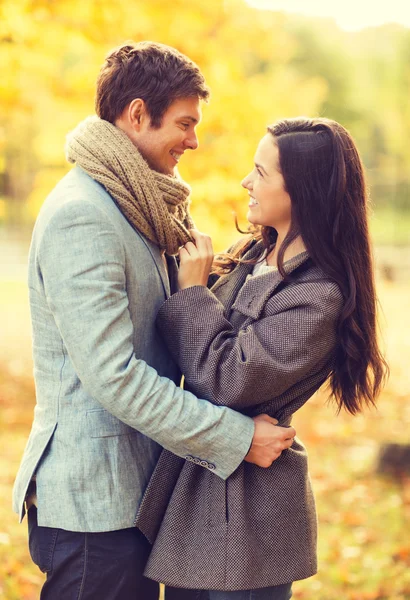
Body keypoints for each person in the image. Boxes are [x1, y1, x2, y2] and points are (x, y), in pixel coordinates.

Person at [12, 42, 296, 600]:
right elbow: (114, 375)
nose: (194, 140)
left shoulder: (138, 206)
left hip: (141, 498)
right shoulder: (83, 216)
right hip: (96, 509)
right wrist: (236, 438)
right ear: (137, 114)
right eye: (185, 124)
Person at [135, 117, 389, 599]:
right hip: (197, 497)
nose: (245, 182)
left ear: (302, 191)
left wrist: (192, 293)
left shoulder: (318, 295)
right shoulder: (251, 252)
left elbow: (229, 380)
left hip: (251, 518)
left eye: (260, 172)